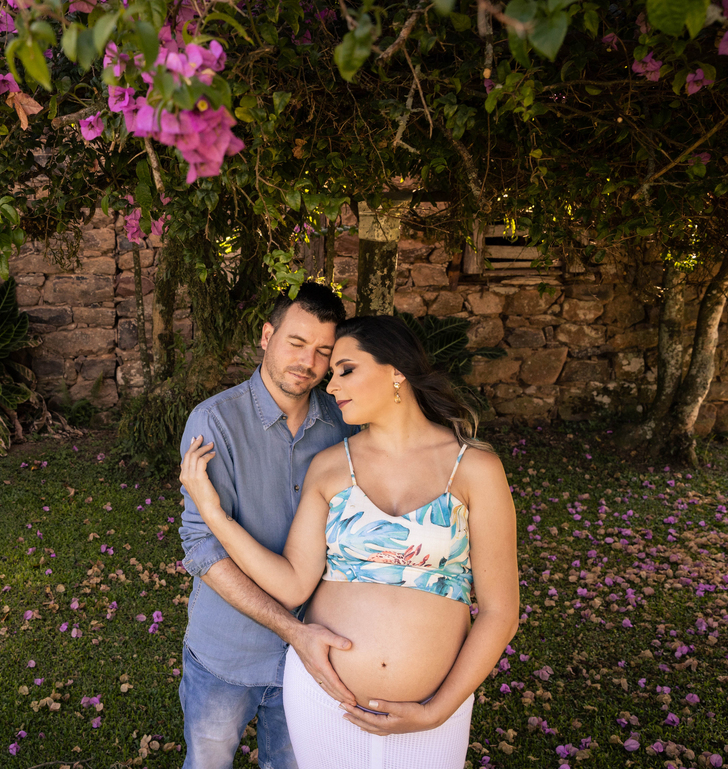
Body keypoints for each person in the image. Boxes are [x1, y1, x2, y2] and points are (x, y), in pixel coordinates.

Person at [181, 315, 520, 769]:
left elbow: (500, 613)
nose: (330, 383)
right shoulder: (330, 465)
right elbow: (293, 585)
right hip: (326, 703)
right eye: (332, 372)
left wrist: (437, 711)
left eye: (345, 369)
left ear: (396, 370)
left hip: (434, 710)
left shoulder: (475, 466)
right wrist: (215, 515)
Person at [178, 282, 361, 769]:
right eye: (296, 343)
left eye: (323, 351)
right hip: (227, 652)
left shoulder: (345, 426)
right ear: (266, 335)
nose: (308, 362)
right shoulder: (214, 422)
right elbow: (203, 549)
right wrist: (291, 630)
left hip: (314, 660)